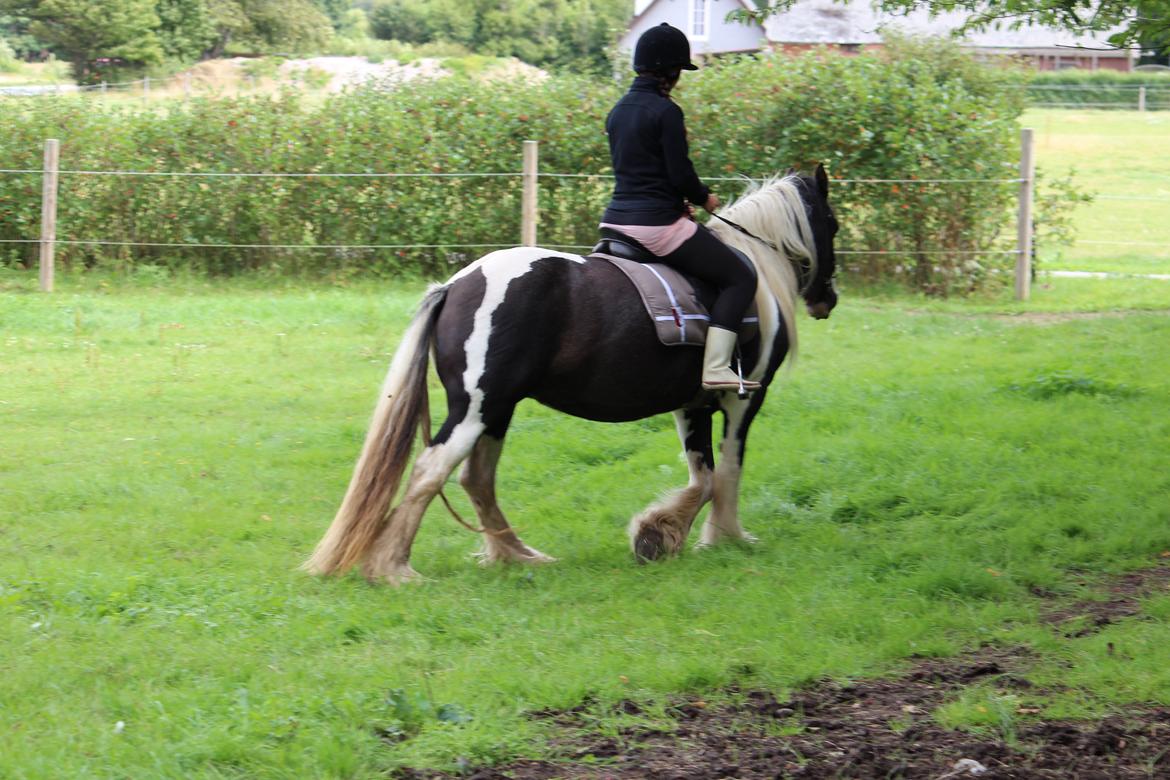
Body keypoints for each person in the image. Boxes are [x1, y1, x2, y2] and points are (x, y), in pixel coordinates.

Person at [600, 22, 759, 393]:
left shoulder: (617, 111)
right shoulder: (666, 111)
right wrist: (705, 198)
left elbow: (642, 171)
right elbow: (679, 174)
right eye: (678, 72)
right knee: (740, 276)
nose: (679, 81)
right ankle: (717, 367)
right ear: (669, 71)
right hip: (657, 225)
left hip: (614, 222)